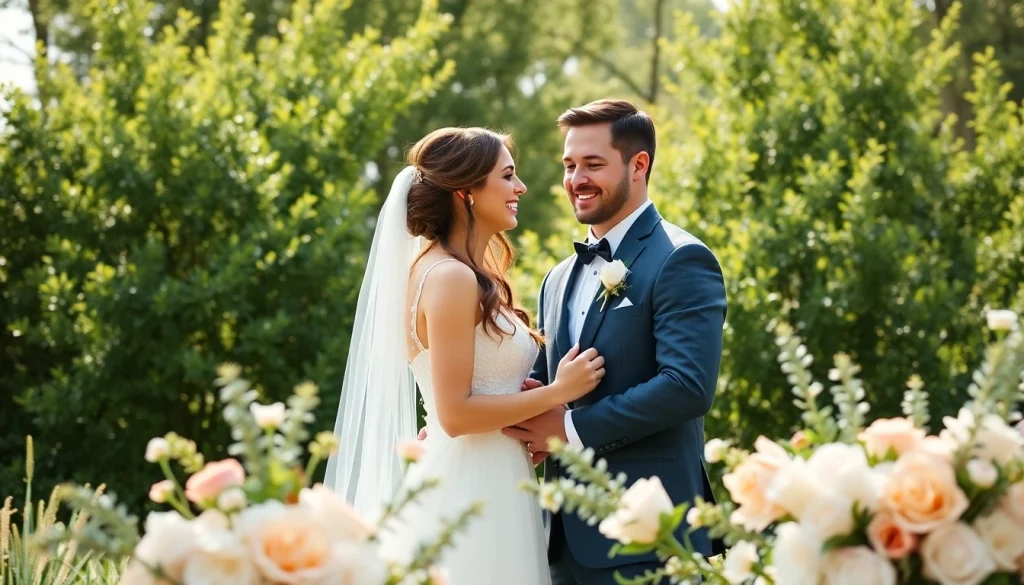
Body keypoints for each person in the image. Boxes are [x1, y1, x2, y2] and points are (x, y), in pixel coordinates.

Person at [323, 127, 606, 585]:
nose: (521, 188)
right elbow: (454, 414)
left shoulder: (465, 274)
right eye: (508, 176)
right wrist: (559, 391)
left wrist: (525, 403)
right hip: (469, 483)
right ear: (465, 192)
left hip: (495, 472)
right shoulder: (450, 277)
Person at [501, 100, 728, 585]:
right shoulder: (556, 278)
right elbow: (542, 385)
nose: (576, 178)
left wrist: (572, 431)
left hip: (651, 535)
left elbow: (687, 385)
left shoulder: (682, 259)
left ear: (639, 164)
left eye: (593, 164)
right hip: (560, 537)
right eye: (569, 165)